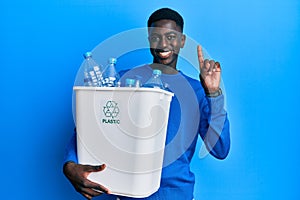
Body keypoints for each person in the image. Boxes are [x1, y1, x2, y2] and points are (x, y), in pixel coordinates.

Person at [63, 7, 230, 200]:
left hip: (176, 195)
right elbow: (92, 126)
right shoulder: (123, 78)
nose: (163, 43)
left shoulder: (197, 91)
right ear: (149, 39)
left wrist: (214, 93)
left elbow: (220, 149)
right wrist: (70, 164)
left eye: (171, 36)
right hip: (129, 194)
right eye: (156, 36)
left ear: (182, 41)